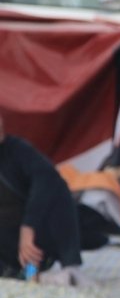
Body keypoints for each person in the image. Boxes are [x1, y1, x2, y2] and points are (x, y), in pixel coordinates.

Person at [0, 112, 84, 284]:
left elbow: (46, 178)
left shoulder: (17, 150)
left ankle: (69, 266)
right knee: (26, 268)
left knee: (57, 187)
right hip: (12, 251)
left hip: (36, 239)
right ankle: (33, 277)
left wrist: (28, 226)